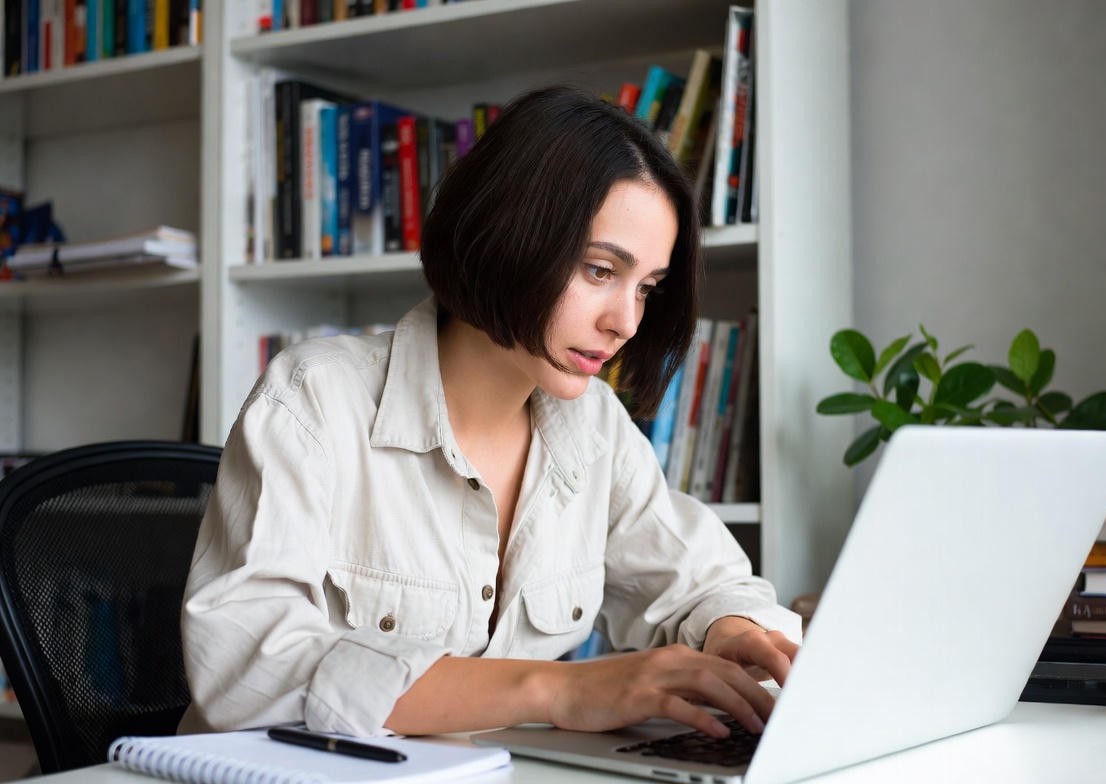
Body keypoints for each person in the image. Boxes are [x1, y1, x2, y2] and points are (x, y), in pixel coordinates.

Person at [180, 84, 802, 741]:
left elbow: (701, 580)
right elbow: (247, 671)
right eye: (598, 271)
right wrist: (557, 690)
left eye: (646, 287)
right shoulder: (315, 400)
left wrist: (734, 632)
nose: (626, 321)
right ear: (510, 233)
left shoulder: (593, 428)